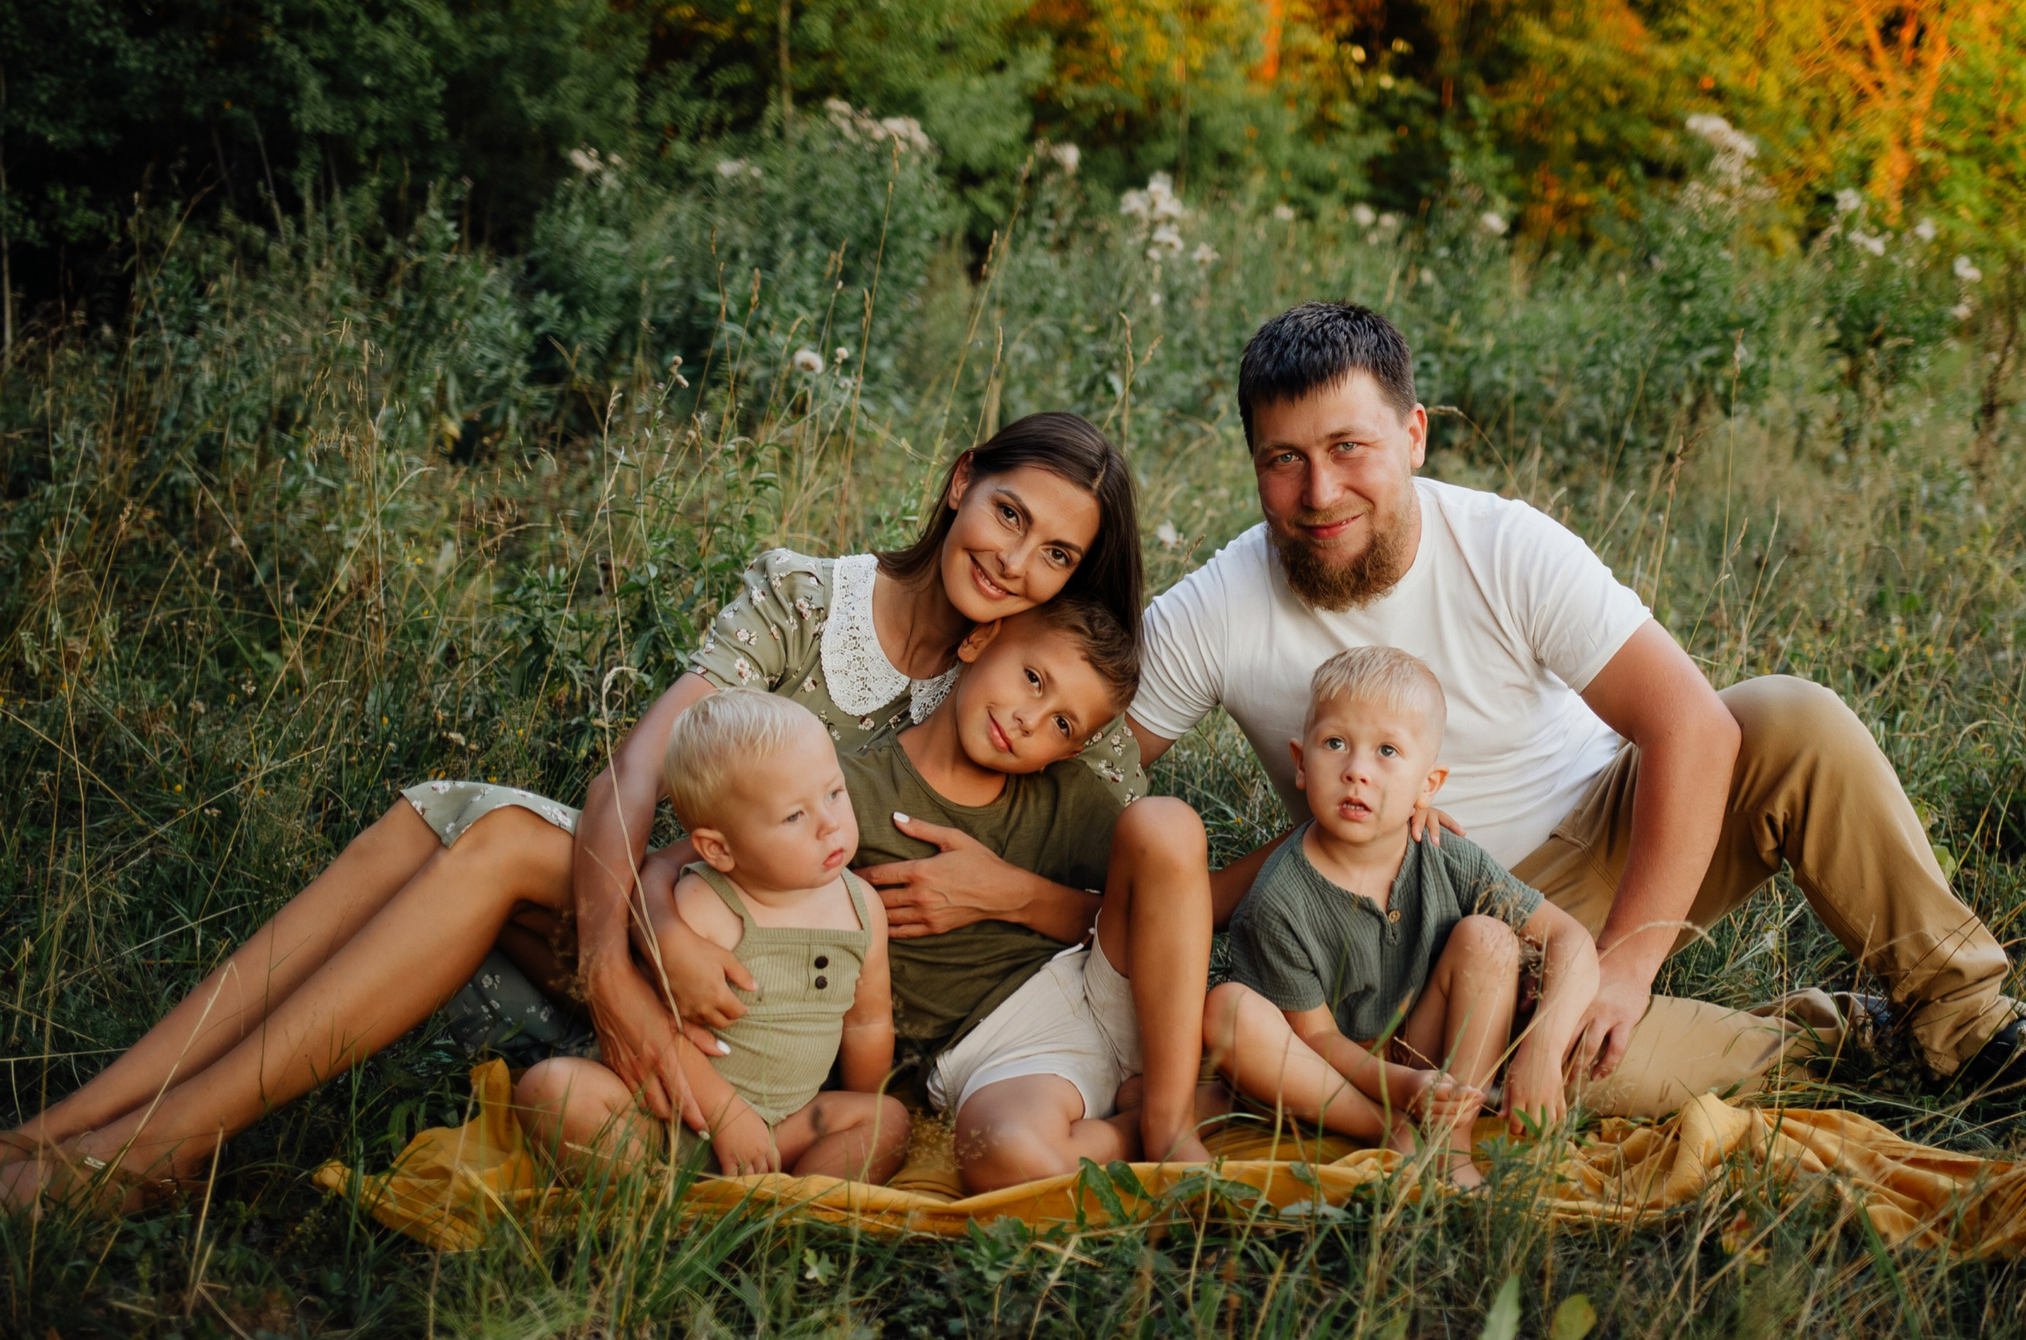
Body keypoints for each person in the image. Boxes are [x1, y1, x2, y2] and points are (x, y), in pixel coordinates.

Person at [2, 412, 1205, 1209]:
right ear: (960, 487)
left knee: (480, 837)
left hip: (786, 1007)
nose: (1016, 561)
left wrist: (1024, 897)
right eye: (1009, 516)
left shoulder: (1024, 686)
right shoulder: (814, 600)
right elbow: (637, 771)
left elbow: (1157, 891)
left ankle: (138, 1146)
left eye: (1056, 555)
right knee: (450, 824)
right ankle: (103, 1130)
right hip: (663, 921)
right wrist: (625, 963)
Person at [1133, 302, 2026, 1114]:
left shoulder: (1504, 546)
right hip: (1438, 930)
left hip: (1610, 826)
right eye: (1283, 459)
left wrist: (1630, 961)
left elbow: (1692, 727)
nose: (1319, 491)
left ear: (1414, 435)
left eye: (1350, 447)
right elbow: (1089, 770)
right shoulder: (1216, 609)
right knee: (1569, 1081)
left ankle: (1972, 1024)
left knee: (1791, 716)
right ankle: (1851, 1045)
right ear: (1253, 462)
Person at [647, 596, 1213, 1193]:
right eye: (1032, 679)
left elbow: (1186, 890)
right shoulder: (844, 796)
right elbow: (672, 863)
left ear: (1072, 750)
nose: (1029, 718)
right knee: (1005, 1156)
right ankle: (1139, 1120)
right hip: (1004, 1062)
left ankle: (1172, 1125)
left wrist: (1016, 895)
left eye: (1063, 724)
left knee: (1165, 824)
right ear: (979, 641)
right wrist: (666, 931)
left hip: (1109, 985)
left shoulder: (1064, 796)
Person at [1205, 647, 1598, 1186]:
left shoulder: (1445, 855)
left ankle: (1451, 1143)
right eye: (1335, 743)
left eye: (1387, 750)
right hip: (1328, 1079)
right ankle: (1390, 1132)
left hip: (1429, 1051)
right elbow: (1317, 1042)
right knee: (1226, 1011)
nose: (1357, 771)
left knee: (1489, 938)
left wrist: (1542, 1050)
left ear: (1428, 785)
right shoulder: (1280, 897)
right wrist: (1403, 1091)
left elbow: (1569, 938)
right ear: (1301, 762)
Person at [515, 689, 908, 1185]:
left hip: (782, 1132)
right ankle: (649, 1196)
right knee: (549, 1089)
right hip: (664, 1121)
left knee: (888, 1120)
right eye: (794, 816)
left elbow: (867, 1024)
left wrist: (862, 1108)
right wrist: (725, 1114)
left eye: (833, 793)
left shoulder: (862, 909)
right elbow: (654, 1025)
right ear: (719, 850)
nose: (830, 825)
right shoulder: (705, 908)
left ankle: (789, 1214)